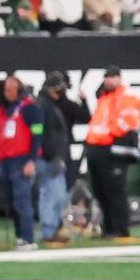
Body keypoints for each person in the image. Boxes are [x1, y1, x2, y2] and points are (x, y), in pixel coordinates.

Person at [83, 66, 140, 243]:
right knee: (101, 192)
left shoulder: (127, 97)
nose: (108, 80)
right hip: (97, 148)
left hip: (112, 149)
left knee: (115, 191)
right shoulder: (104, 98)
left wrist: (111, 134)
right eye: (107, 77)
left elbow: (131, 121)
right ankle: (108, 228)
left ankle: (120, 229)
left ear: (119, 78)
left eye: (112, 77)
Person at [34, 72, 86, 245]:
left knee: (58, 196)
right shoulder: (43, 106)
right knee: (50, 195)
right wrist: (53, 155)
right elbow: (45, 135)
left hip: (55, 157)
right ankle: (48, 232)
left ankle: (53, 229)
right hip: (49, 158)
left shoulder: (50, 104)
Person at [0, 76, 41, 249]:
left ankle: (28, 238)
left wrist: (31, 160)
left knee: (22, 199)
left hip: (22, 159)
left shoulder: (30, 108)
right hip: (6, 160)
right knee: (12, 200)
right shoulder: (5, 110)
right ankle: (20, 235)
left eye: (10, 90)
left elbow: (37, 135)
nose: (6, 93)